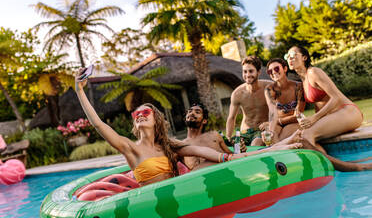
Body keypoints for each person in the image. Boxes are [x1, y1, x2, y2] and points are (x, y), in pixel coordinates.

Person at [74, 68, 301, 189]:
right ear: (134, 123)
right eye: (137, 114)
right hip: (150, 204)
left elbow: (214, 155)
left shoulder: (170, 146)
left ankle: (275, 148)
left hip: (180, 195)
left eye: (146, 112)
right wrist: (80, 91)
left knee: (213, 161)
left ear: (156, 120)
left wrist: (273, 147)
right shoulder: (130, 148)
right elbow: (98, 124)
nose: (141, 116)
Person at [285, 46, 364, 153]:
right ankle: (330, 163)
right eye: (287, 56)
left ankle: (333, 167)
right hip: (333, 117)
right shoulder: (302, 81)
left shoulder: (313, 72)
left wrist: (314, 118)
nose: (290, 58)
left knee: (307, 134)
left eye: (293, 55)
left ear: (304, 57)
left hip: (347, 111)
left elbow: (336, 97)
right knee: (300, 136)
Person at [226, 56, 272, 146]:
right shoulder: (237, 93)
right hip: (245, 132)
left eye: (251, 71)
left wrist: (270, 123)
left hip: (261, 131)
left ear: (258, 72)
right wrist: (228, 137)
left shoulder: (269, 87)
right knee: (234, 146)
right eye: (245, 71)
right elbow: (231, 118)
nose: (247, 75)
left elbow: (280, 110)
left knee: (255, 144)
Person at [262, 58, 306, 145]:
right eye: (270, 71)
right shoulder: (270, 89)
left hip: (293, 122)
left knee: (282, 139)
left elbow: (297, 115)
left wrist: (275, 121)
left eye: (276, 68)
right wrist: (271, 127)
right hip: (277, 123)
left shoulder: (298, 87)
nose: (274, 72)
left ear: (285, 69)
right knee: (269, 138)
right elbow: (272, 112)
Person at [182, 103, 232, 170]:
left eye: (197, 112)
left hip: (223, 175)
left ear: (204, 121)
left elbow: (231, 155)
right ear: (186, 118)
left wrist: (241, 150)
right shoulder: (181, 145)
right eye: (190, 111)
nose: (192, 113)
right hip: (199, 179)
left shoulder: (214, 136)